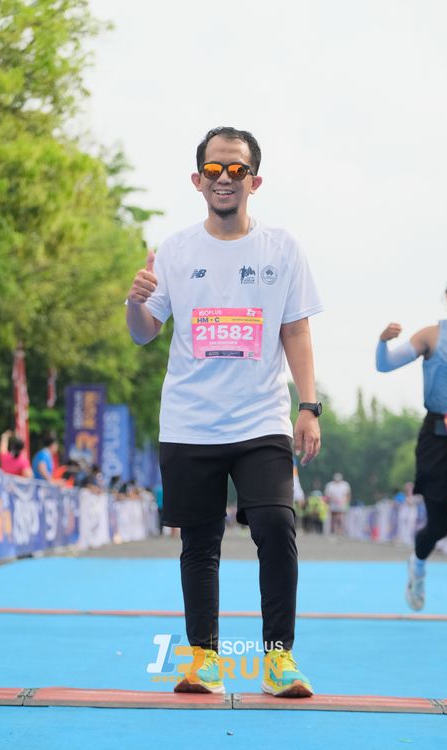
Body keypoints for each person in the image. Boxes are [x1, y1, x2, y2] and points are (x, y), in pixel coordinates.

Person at [126, 126, 323, 698]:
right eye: (214, 169)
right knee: (199, 542)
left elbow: (295, 330)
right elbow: (143, 333)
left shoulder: (282, 248)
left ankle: (279, 659)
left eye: (237, 169)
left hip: (261, 418)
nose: (225, 179)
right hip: (190, 420)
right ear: (198, 180)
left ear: (254, 181)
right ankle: (204, 659)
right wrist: (135, 302)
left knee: (276, 525)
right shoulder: (175, 250)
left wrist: (308, 405)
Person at [376, 273, 447, 610]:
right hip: (437, 438)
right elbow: (385, 365)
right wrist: (382, 342)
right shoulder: (432, 335)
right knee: (438, 526)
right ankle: (418, 564)